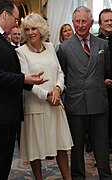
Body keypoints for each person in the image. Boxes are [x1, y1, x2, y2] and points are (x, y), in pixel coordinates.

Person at [0, 1, 48, 180]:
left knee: (2, 163)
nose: (16, 24)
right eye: (15, 19)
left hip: (5, 113)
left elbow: (8, 73)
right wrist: (23, 79)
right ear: (5, 15)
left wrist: (28, 81)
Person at [57, 6, 112, 180]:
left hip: (98, 102)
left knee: (102, 145)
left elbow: (105, 70)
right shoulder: (64, 48)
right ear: (73, 22)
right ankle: (78, 177)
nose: (80, 25)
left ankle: (106, 176)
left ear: (91, 22)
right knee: (77, 146)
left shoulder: (103, 44)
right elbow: (63, 74)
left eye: (84, 21)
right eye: (77, 21)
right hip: (76, 103)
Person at [16, 13, 73, 180]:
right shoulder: (20, 52)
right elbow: (26, 80)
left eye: (34, 28)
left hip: (55, 104)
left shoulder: (50, 46)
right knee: (35, 149)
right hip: (35, 106)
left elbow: (60, 72)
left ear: (41, 30)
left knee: (60, 145)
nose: (30, 32)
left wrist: (57, 89)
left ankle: (67, 178)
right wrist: (46, 94)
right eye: (27, 29)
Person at [98, 8, 112, 153]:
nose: (109, 23)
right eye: (106, 21)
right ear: (100, 24)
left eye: (111, 20)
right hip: (100, 88)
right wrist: (102, 81)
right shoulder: (95, 42)